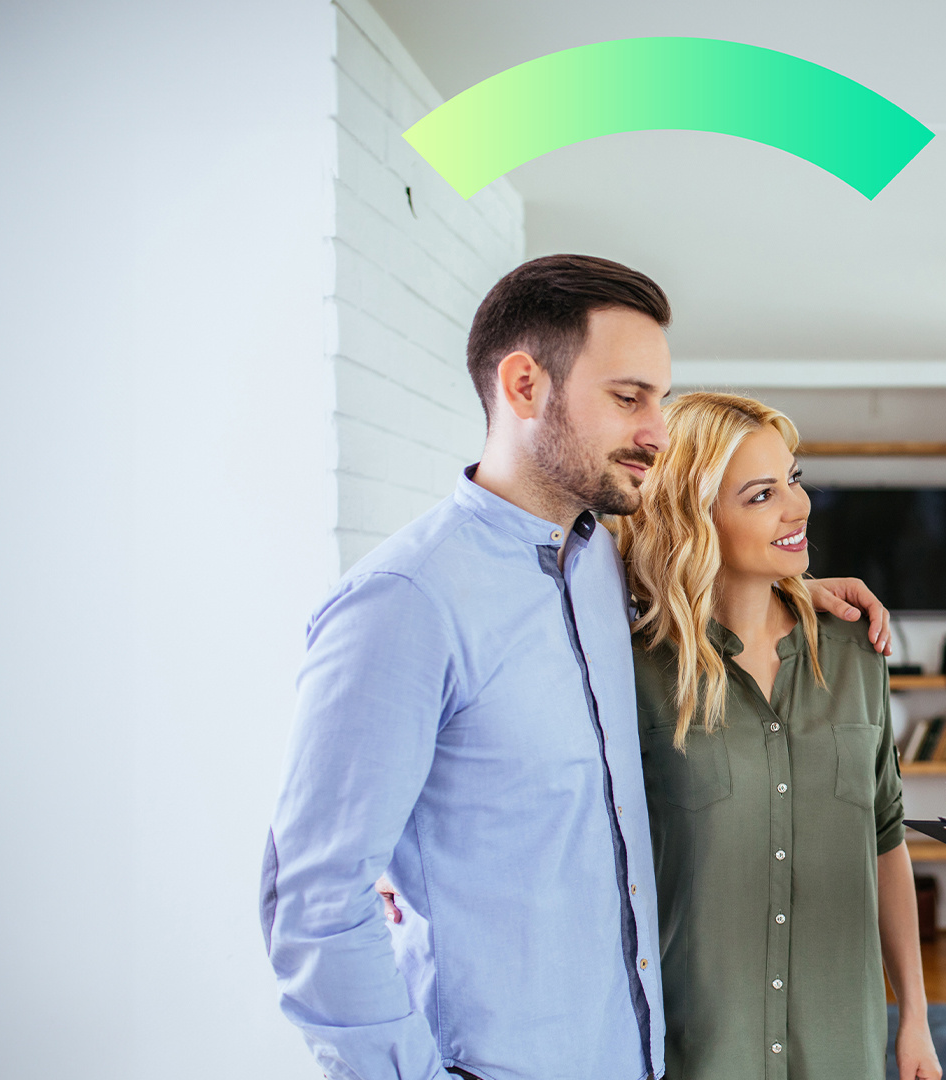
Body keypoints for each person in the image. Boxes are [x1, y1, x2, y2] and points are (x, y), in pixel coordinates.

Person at [260, 255, 888, 1080]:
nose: (657, 432)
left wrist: (793, 585)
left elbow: (694, 569)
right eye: (628, 398)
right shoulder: (405, 603)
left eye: (659, 400)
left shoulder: (598, 565)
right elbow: (311, 901)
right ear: (524, 385)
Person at [613, 392, 942, 1080]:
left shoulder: (855, 651)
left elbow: (885, 838)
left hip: (841, 1047)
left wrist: (914, 1016)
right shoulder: (634, 671)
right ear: (695, 517)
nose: (798, 508)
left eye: (792, 478)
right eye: (762, 495)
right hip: (695, 1050)